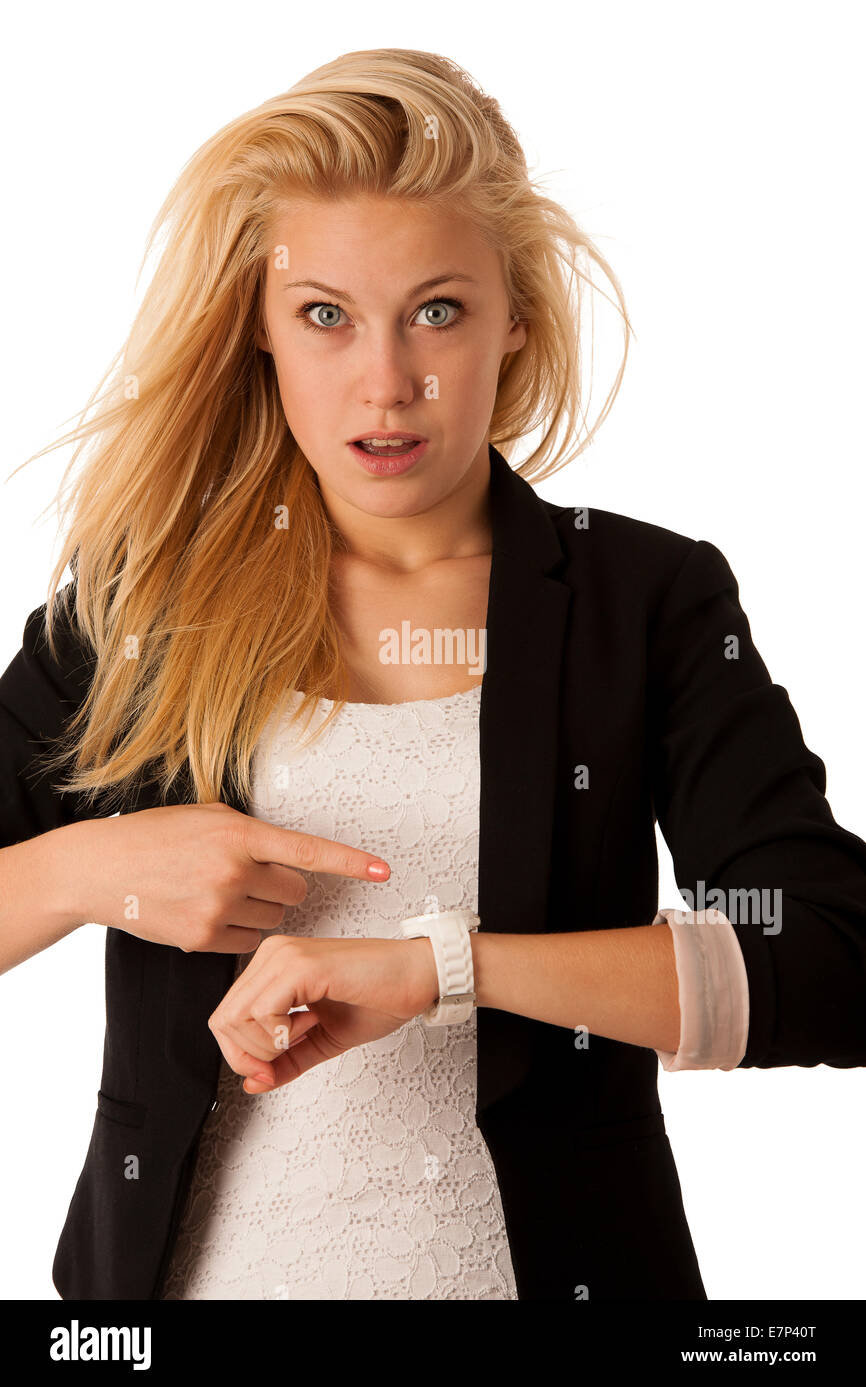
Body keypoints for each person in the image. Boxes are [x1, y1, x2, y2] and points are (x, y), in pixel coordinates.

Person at [2, 48, 865, 1301]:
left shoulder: (645, 602)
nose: (386, 381)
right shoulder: (144, 608)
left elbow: (832, 962)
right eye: (325, 314)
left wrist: (442, 967)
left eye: (437, 311)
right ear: (258, 323)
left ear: (515, 315)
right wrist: (90, 869)